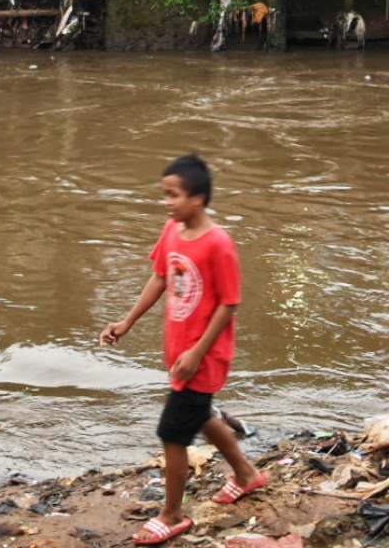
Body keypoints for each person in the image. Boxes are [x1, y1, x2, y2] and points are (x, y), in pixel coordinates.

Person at [99, 154, 268, 545]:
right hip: (180, 350)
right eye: (165, 194)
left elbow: (228, 303)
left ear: (198, 198)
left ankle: (172, 514)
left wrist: (196, 353)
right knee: (201, 413)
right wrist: (127, 322)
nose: (167, 202)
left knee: (172, 433)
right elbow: (160, 277)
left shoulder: (218, 244)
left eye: (174, 195)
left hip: (204, 357)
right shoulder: (173, 231)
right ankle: (246, 474)